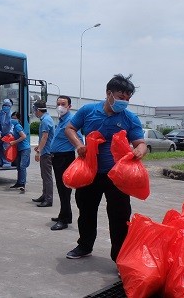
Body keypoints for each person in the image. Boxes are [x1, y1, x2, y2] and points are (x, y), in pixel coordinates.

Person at [64, 74, 147, 262]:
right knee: (86, 211)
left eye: (127, 99)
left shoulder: (130, 118)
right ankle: (84, 245)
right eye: (121, 97)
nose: (124, 102)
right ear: (109, 93)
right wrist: (78, 145)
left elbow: (140, 143)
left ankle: (119, 257)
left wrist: (139, 151)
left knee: (120, 216)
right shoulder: (88, 111)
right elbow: (69, 128)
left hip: (117, 176)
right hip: (90, 172)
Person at [50, 95, 80, 230]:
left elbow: (79, 139)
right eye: (58, 104)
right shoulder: (62, 120)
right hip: (57, 158)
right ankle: (65, 214)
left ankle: (64, 219)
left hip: (65, 158)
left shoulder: (71, 121)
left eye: (63, 104)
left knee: (64, 189)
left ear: (69, 106)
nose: (60, 106)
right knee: (61, 189)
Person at [31, 99, 55, 207]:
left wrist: (39, 151)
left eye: (34, 110)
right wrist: (39, 146)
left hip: (47, 152)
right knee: (44, 176)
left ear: (38, 110)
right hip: (46, 150)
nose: (34, 113)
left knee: (47, 176)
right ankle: (44, 195)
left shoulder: (45, 121)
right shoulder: (46, 119)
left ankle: (48, 199)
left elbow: (45, 137)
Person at [7, 111, 31, 191]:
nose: (12, 119)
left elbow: (23, 136)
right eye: (12, 118)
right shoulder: (14, 127)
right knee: (18, 167)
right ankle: (19, 182)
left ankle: (22, 184)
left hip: (25, 148)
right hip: (20, 149)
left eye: (14, 118)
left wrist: (14, 142)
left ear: (18, 119)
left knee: (22, 166)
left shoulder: (17, 126)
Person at [0, 98, 13, 167]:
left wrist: (10, 133)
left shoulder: (11, 114)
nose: (5, 107)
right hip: (0, 134)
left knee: (6, 148)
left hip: (8, 134)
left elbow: (12, 125)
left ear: (10, 106)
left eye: (7, 105)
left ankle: (7, 162)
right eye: (4, 105)